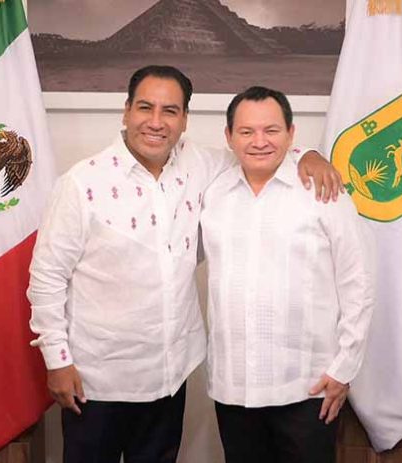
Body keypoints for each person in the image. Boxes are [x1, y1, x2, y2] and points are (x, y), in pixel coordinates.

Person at [27, 66, 343, 463]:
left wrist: (309, 155)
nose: (156, 122)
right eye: (145, 107)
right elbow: (47, 277)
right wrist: (57, 360)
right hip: (97, 379)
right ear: (126, 111)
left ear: (185, 119)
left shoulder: (201, 165)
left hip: (169, 376)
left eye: (170, 111)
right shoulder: (80, 184)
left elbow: (258, 149)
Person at [200, 86, 374, 463]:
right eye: (246, 131)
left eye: (272, 130)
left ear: (292, 134)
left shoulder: (323, 191)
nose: (259, 141)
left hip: (307, 387)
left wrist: (344, 368)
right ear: (228, 136)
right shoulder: (212, 193)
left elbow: (358, 282)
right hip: (234, 388)